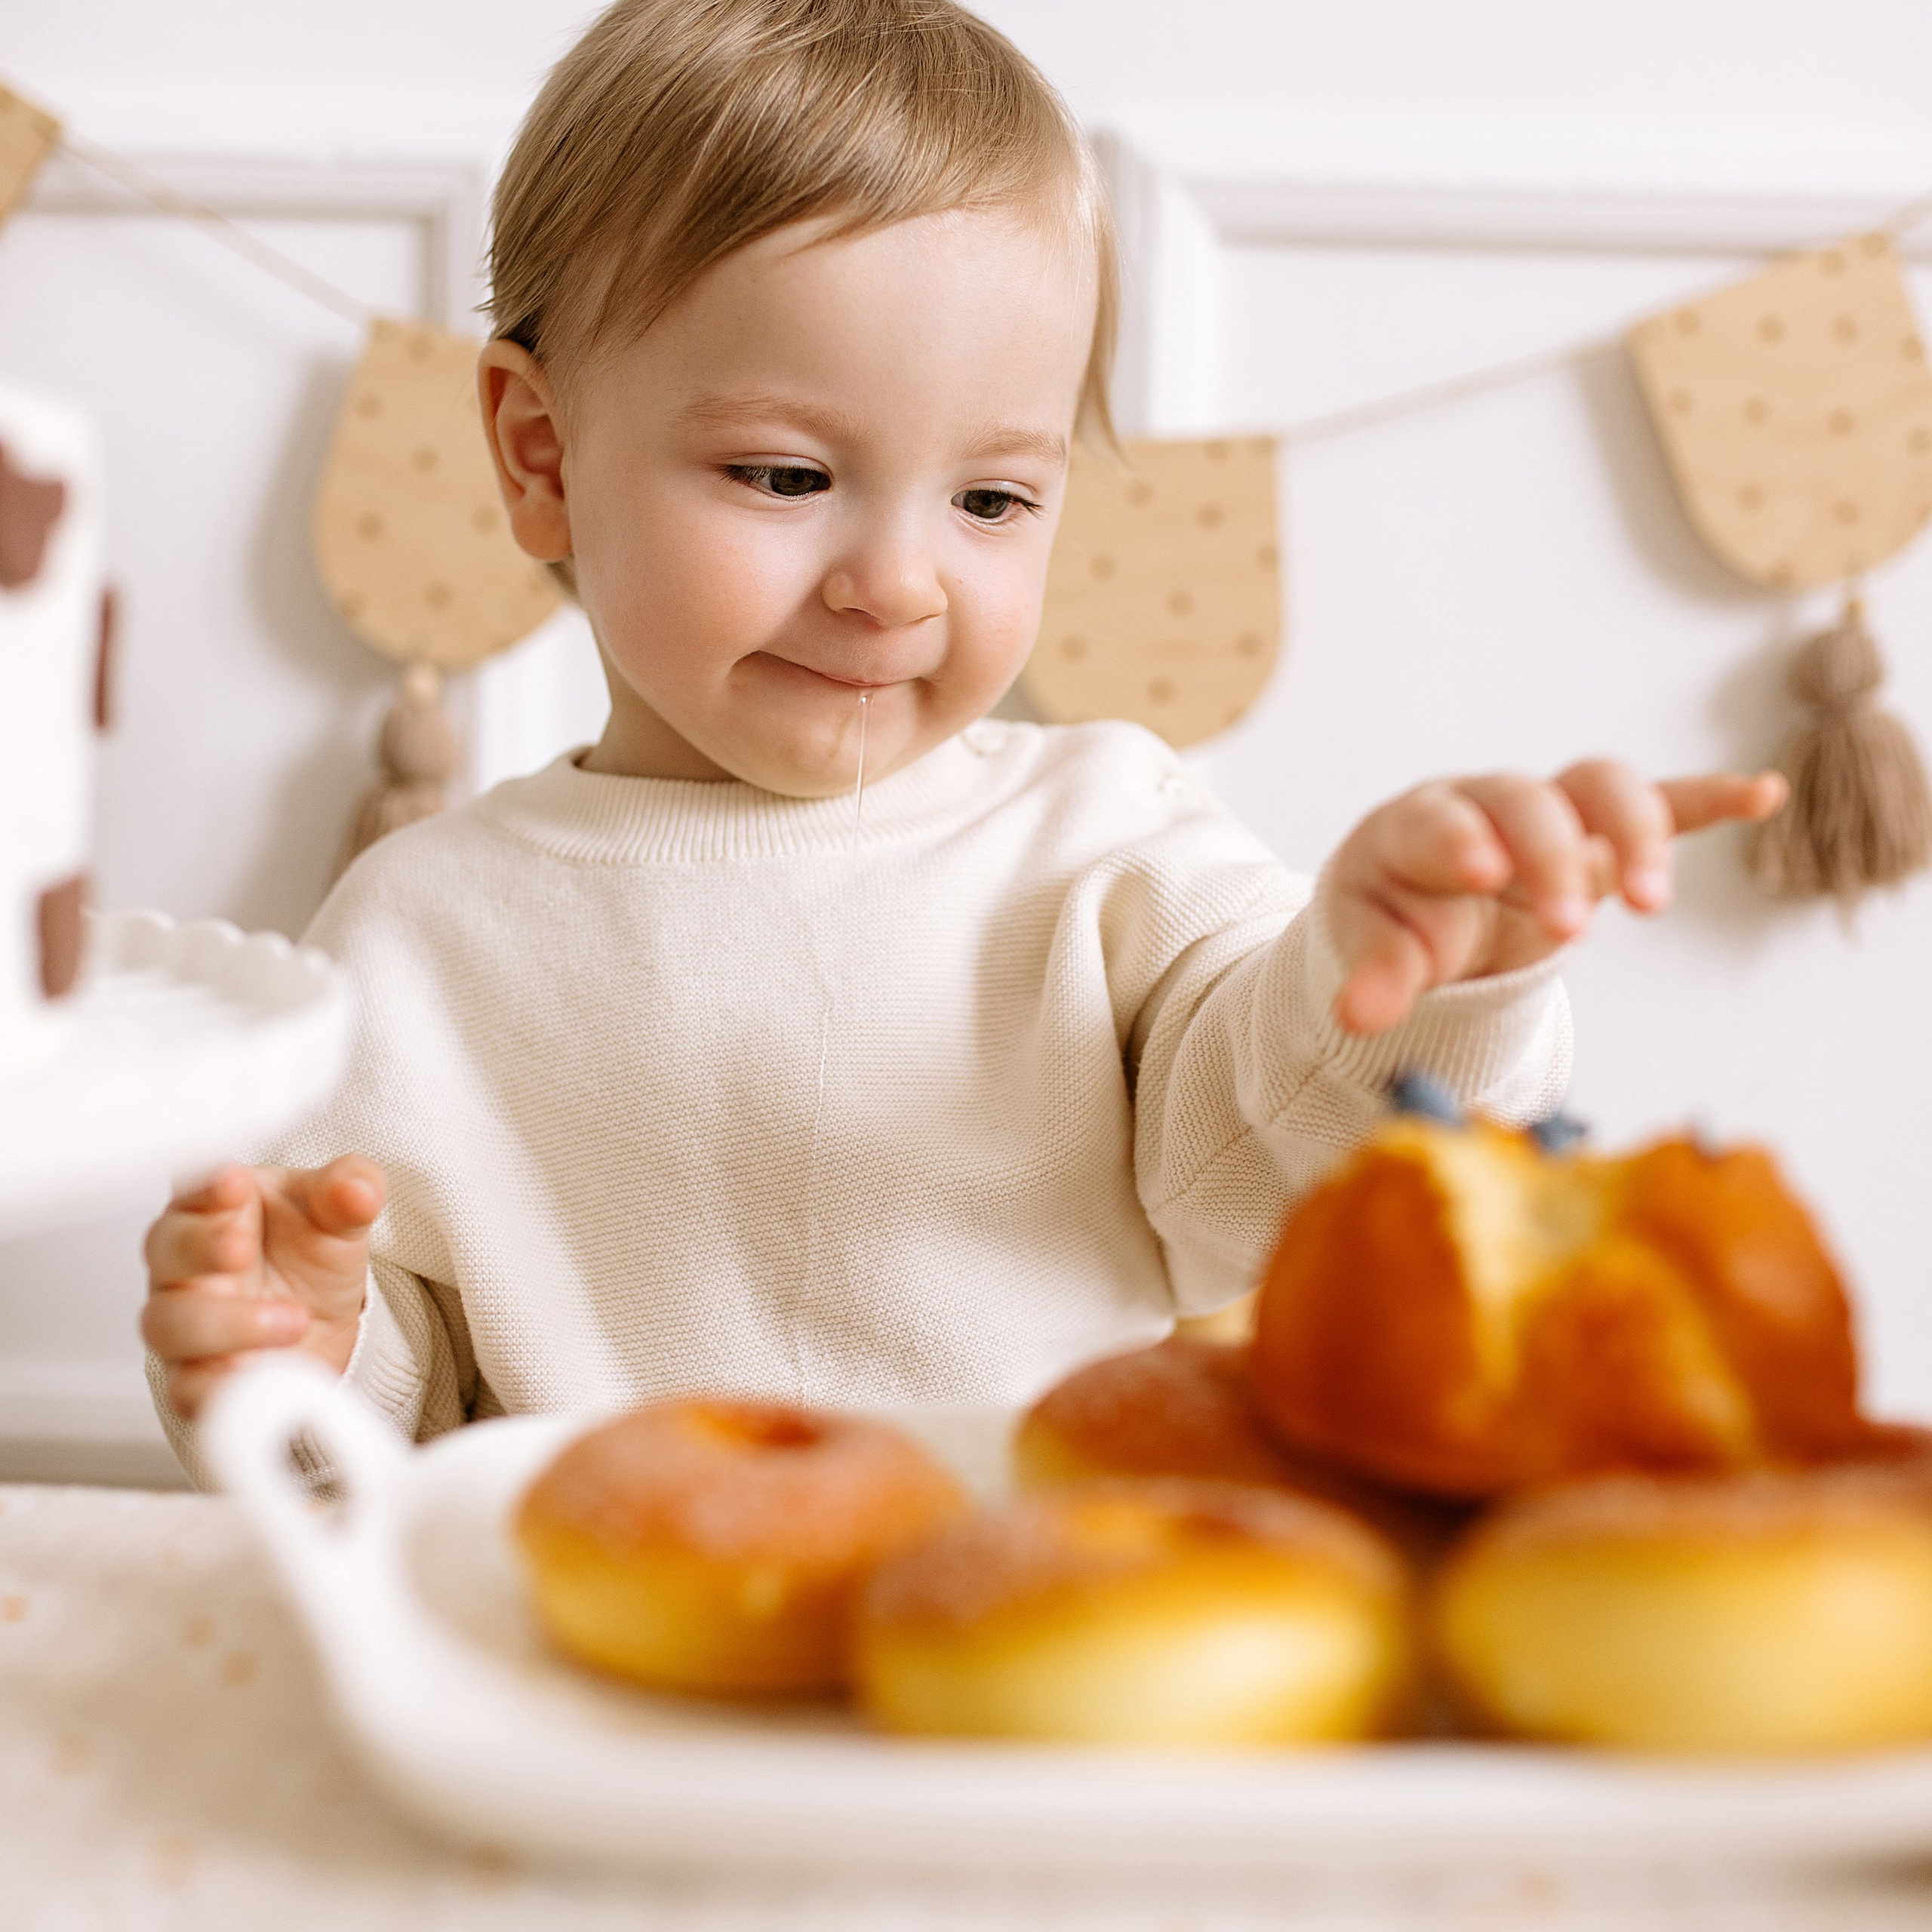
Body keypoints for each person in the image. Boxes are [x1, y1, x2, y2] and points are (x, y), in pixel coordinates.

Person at [140, 0, 1781, 1469]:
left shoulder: (1100, 836)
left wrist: (1415, 979)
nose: (895, 583)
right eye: (785, 476)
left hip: (1042, 1629)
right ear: (539, 452)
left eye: (992, 495)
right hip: (614, 1659)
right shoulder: (421, 931)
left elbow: (1275, 1184)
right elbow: (383, 1447)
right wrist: (299, 1350)